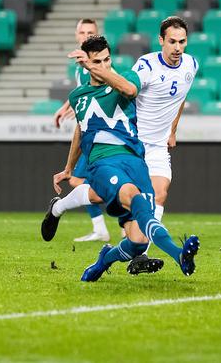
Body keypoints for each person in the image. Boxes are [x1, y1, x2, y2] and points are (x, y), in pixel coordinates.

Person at [42, 35, 200, 281]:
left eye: (107, 60)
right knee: (130, 195)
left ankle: (104, 259)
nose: (103, 66)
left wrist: (173, 128)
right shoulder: (78, 96)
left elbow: (130, 89)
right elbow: (81, 129)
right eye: (97, 61)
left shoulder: (123, 79)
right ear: (85, 65)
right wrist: (69, 168)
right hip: (103, 161)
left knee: (138, 241)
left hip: (135, 158)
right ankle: (178, 254)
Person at [126, 16, 198, 274]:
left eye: (182, 41)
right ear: (161, 41)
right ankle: (59, 208)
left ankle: (138, 255)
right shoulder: (146, 66)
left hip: (157, 146)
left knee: (160, 193)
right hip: (134, 143)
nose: (177, 47)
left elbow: (180, 98)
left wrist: (172, 131)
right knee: (123, 198)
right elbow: (126, 95)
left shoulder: (191, 64)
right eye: (172, 42)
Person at [53, 19, 110, 243]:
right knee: (79, 180)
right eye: (83, 32)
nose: (86, 36)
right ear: (76, 36)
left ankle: (123, 216)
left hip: (101, 135)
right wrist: (65, 107)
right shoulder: (81, 69)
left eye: (91, 33)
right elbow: (82, 92)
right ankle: (110, 224)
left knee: (79, 180)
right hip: (90, 133)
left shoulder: (98, 65)